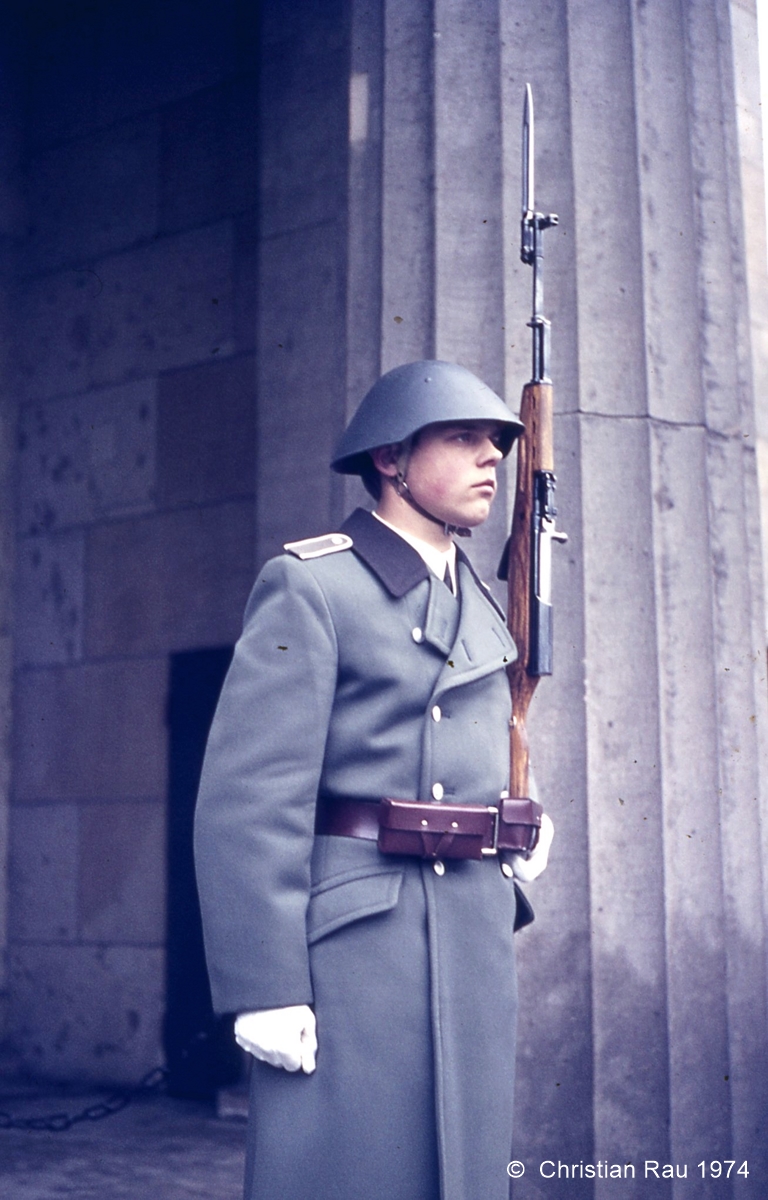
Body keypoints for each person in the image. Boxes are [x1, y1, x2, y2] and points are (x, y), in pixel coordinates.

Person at [194, 360, 554, 1200]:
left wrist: (518, 825)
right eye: (463, 439)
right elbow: (250, 798)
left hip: (463, 925)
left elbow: (484, 738)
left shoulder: (482, 596)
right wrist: (264, 986)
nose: (491, 459)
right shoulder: (312, 584)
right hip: (359, 940)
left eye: (498, 443)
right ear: (391, 458)